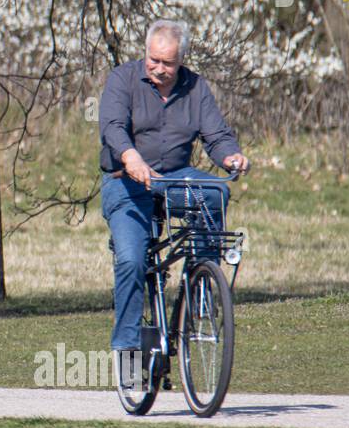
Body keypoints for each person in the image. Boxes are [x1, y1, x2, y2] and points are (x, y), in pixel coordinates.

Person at [98, 20, 249, 388]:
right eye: (154, 60)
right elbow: (112, 126)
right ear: (145, 54)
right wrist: (129, 156)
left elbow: (216, 135)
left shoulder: (195, 88)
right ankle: (128, 353)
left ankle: (202, 282)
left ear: (181, 60)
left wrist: (231, 157)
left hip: (175, 178)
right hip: (127, 182)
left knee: (216, 191)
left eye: (168, 63)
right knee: (133, 260)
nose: (160, 69)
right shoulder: (123, 79)